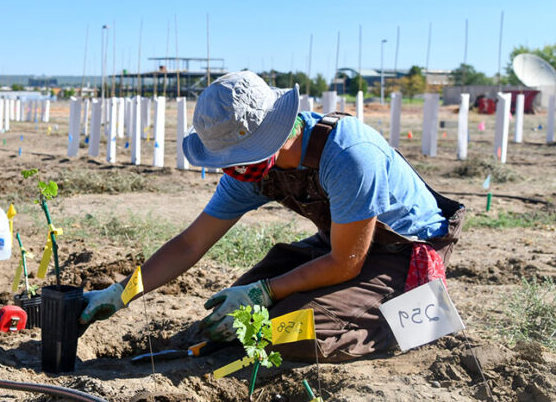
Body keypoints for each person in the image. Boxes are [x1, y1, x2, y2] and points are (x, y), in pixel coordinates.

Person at [79, 71, 464, 362]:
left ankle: (423, 317)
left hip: (405, 253)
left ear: (271, 134)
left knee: (290, 332)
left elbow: (347, 263)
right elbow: (190, 243)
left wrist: (267, 293)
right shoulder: (250, 171)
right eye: (225, 162)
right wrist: (121, 292)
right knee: (237, 320)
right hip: (341, 244)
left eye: (239, 159)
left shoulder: (349, 155)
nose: (232, 170)